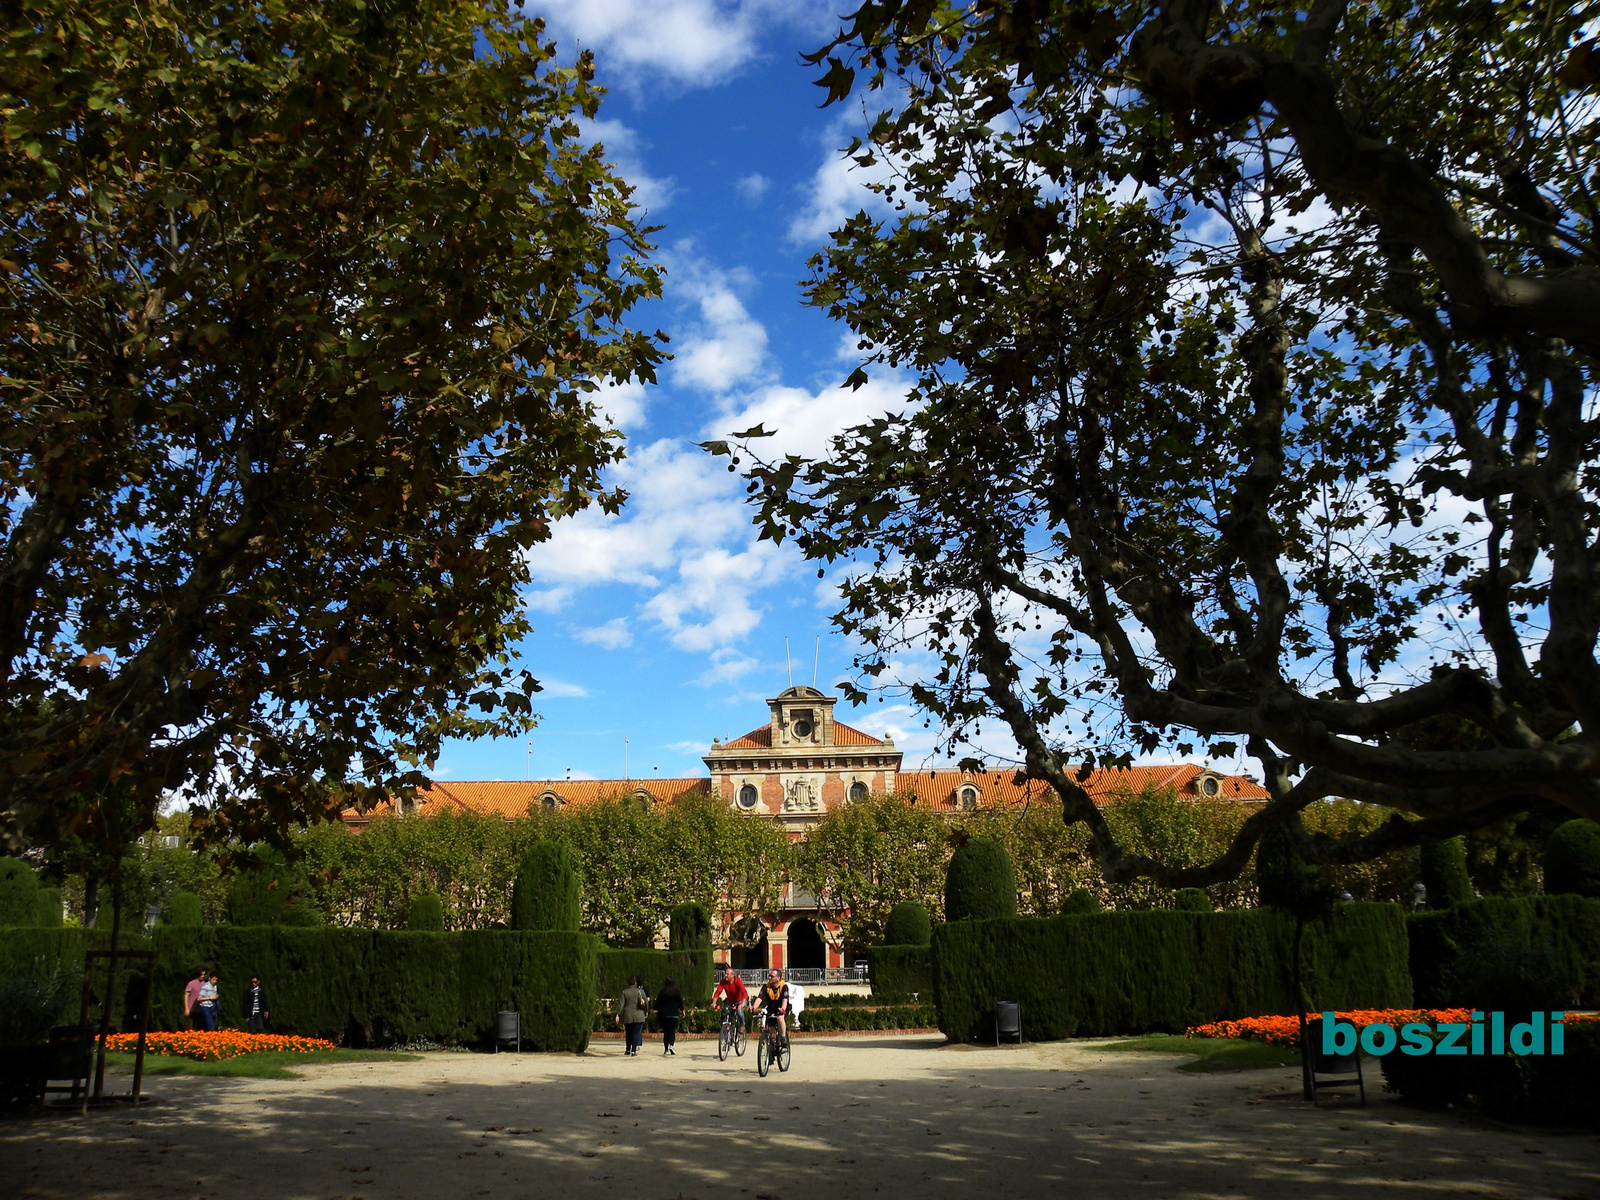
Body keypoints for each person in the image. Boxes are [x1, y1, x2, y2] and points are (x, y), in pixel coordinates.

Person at [617, 976, 649, 1057]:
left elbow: (621, 1004)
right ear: (635, 982)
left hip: (628, 1015)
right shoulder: (640, 991)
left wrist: (618, 1013)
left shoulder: (625, 992)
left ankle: (628, 1049)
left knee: (628, 1033)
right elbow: (646, 1003)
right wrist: (646, 1011)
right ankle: (634, 1050)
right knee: (636, 1033)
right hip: (639, 1015)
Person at [757, 970, 789, 1045]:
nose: (769, 977)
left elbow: (785, 1000)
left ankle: (783, 1037)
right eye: (769, 976)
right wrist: (753, 1008)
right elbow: (759, 998)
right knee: (769, 1029)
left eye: (772, 976)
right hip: (771, 1008)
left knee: (780, 1018)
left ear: (778, 978)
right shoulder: (766, 986)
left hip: (782, 1008)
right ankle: (771, 1048)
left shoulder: (783, 986)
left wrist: (783, 1009)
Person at [655, 977, 684, 1056]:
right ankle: (671, 1045)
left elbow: (657, 1004)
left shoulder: (662, 992)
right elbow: (680, 1002)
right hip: (674, 1014)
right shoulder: (677, 992)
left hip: (664, 1015)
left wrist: (656, 1009)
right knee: (672, 1031)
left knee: (666, 1032)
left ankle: (666, 1049)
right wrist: (682, 1010)